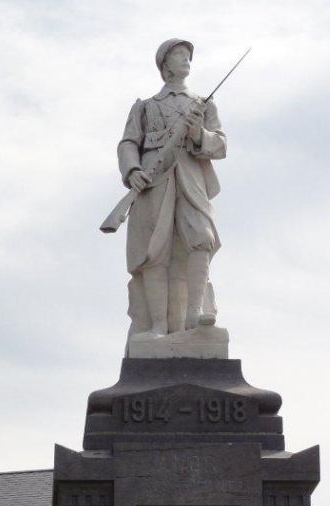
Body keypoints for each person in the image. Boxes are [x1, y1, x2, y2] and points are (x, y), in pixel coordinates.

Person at [118, 39, 227, 341]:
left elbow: (220, 144)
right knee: (154, 251)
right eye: (179, 54)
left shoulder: (203, 105)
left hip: (191, 178)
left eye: (188, 54)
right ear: (165, 64)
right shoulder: (145, 106)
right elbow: (129, 143)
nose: (186, 58)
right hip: (154, 180)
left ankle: (195, 314)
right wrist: (132, 170)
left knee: (201, 238)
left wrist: (198, 133)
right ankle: (157, 326)